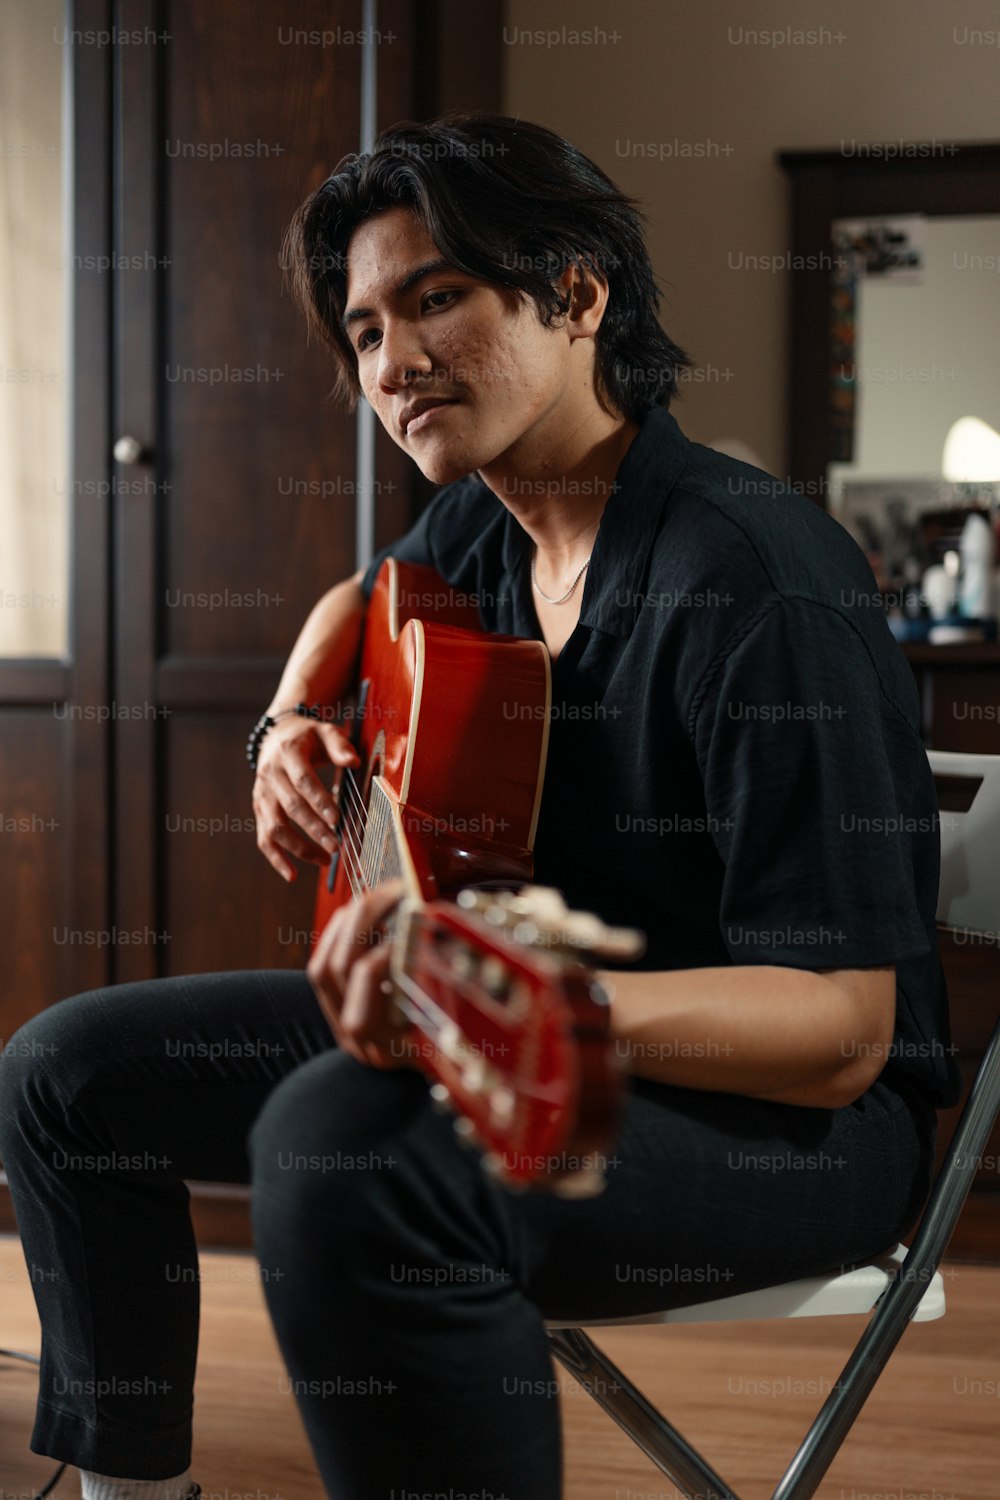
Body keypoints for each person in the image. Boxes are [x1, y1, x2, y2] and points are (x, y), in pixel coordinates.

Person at [0, 114, 961, 1500]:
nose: (394, 363)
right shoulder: (491, 515)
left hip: (794, 1129)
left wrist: (497, 991)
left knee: (348, 1158)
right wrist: (286, 723)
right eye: (366, 330)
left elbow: (843, 1037)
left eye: (437, 298)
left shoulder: (749, 580)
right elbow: (359, 600)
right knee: (65, 1074)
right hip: (518, 1020)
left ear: (577, 294)